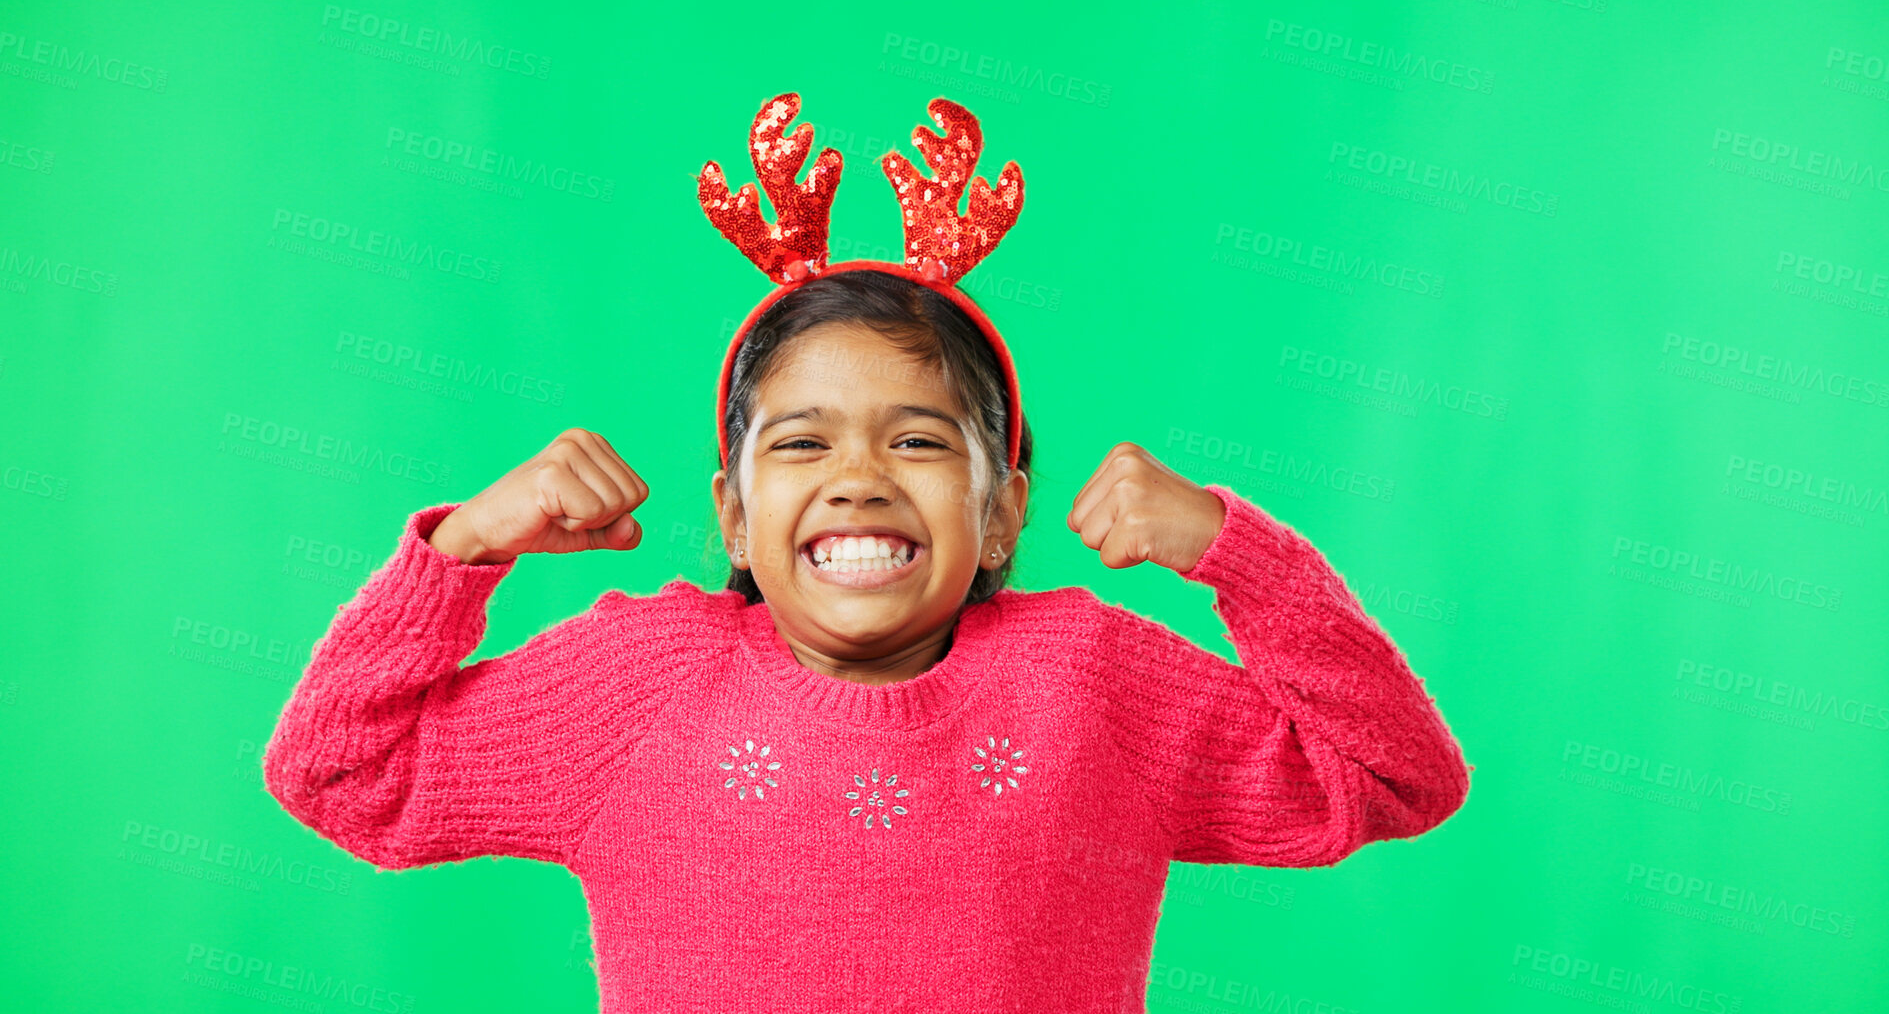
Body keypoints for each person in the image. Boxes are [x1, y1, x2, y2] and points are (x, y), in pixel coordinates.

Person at [262, 93, 1470, 1014]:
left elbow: (1393, 776)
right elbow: (336, 774)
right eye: (801, 442)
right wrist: (462, 552)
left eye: (918, 439)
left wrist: (1234, 552)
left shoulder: (1089, 679)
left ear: (1002, 515)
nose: (858, 476)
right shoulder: (640, 679)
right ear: (733, 515)